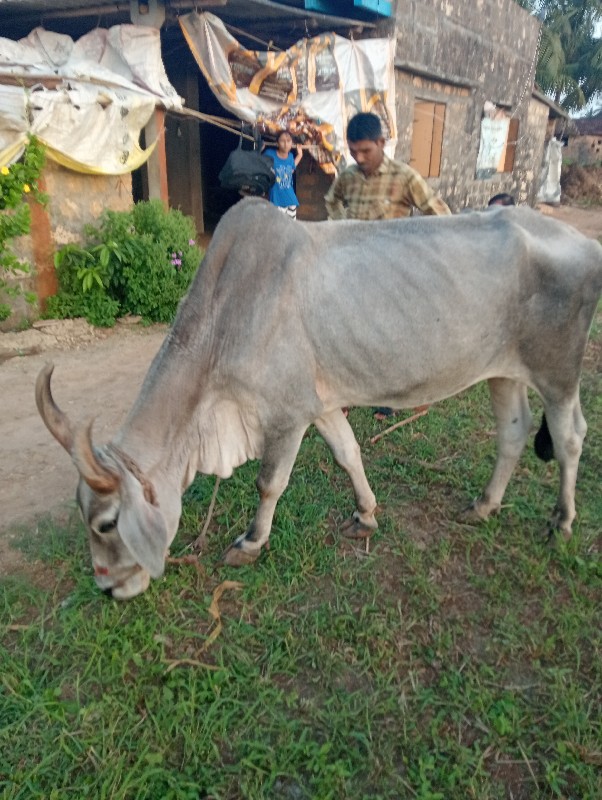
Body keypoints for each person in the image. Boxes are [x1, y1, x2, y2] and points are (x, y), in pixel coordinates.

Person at [325, 111, 451, 419]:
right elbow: (332, 200)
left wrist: (421, 247)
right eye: (353, 151)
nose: (359, 157)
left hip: (393, 273)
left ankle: (393, 398)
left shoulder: (404, 177)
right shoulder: (349, 176)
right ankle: (347, 393)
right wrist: (342, 227)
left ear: (382, 142)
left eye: (366, 150)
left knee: (392, 337)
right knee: (351, 332)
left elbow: (441, 214)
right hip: (353, 270)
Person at [262, 130, 303, 219]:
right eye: (282, 141)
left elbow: (290, 170)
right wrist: (259, 149)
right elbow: (259, 163)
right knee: (278, 229)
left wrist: (300, 155)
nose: (286, 144)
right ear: (277, 143)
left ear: (292, 143)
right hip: (276, 200)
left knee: (290, 229)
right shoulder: (270, 154)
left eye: (288, 141)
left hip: (291, 200)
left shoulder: (291, 156)